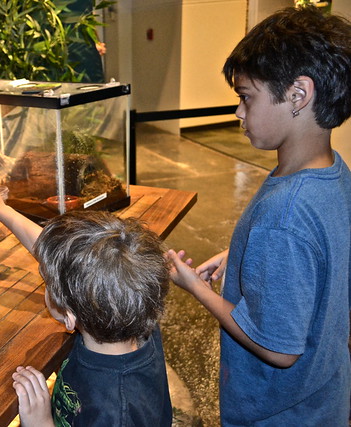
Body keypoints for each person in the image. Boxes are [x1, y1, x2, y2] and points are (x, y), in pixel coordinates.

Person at [166, 6, 351, 426]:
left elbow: (278, 350)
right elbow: (318, 256)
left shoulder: (284, 214)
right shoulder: (334, 174)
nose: (238, 113)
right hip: (324, 398)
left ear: (298, 95)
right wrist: (244, 253)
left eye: (246, 97)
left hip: (277, 413)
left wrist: (197, 288)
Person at [0, 169, 172, 426]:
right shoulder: (134, 312)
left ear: (70, 317)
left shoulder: (117, 413)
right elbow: (59, 257)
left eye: (47, 283)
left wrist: (42, 422)